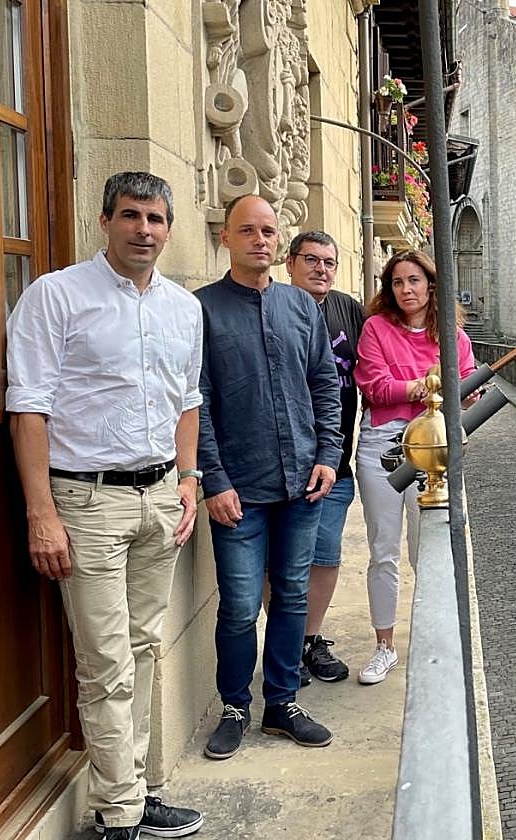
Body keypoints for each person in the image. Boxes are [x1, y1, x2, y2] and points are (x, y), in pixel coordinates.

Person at [6, 172, 204, 840]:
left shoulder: (183, 307)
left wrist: (188, 478)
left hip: (158, 499)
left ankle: (141, 793)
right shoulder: (56, 296)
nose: (143, 230)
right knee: (106, 662)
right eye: (130, 215)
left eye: (154, 218)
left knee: (145, 650)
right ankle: (118, 814)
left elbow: (187, 400)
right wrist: (41, 513)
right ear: (104, 220)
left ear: (170, 228)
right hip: (85, 503)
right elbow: (26, 408)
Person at [197, 195, 343, 760]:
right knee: (237, 605)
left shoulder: (302, 308)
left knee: (291, 597)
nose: (260, 240)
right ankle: (235, 705)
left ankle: (281, 703)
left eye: (268, 231)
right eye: (247, 230)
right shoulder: (203, 309)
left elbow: (326, 387)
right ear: (225, 237)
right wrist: (213, 478)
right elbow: (198, 401)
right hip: (239, 489)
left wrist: (329, 454)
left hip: (303, 484)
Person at [354, 249, 477, 685]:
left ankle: (432, 639)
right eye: (398, 282)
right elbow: (376, 387)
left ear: (431, 285)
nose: (406, 289)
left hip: (434, 449)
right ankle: (384, 646)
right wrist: (428, 386)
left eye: (414, 281)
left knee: (429, 549)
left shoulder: (453, 336)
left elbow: (466, 389)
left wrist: (458, 395)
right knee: (383, 549)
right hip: (383, 448)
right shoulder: (375, 329)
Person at [285, 231, 364, 684]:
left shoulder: (347, 310)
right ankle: (286, 641)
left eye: (330, 262)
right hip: (282, 462)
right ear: (291, 263)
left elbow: (379, 359)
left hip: (334, 462)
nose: (321, 269)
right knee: (282, 563)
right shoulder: (274, 306)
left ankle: (308, 640)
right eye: (311, 260)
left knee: (325, 555)